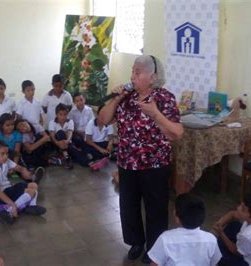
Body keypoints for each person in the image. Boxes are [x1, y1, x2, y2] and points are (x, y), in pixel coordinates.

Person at [99, 55, 183, 264]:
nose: (132, 76)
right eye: (132, 71)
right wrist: (117, 98)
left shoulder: (165, 98)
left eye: (138, 72)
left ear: (153, 77)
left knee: (156, 207)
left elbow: (176, 133)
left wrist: (155, 114)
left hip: (155, 165)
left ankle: (155, 248)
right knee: (129, 205)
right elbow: (103, 119)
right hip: (127, 163)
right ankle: (136, 242)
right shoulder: (126, 98)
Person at [148, 193, 221, 266]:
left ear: (177, 218)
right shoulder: (211, 240)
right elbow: (214, 264)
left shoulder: (165, 239)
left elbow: (154, 264)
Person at [0, 140, 46, 224]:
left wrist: (24, 171)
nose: (5, 156)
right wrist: (12, 204)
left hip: (7, 189)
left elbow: (19, 168)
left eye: (6, 153)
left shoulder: (5, 161)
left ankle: (30, 206)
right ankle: (11, 211)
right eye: (2, 154)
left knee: (34, 185)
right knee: (32, 191)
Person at [213, 194, 251, 266]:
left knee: (216, 250)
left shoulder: (250, 235)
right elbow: (233, 214)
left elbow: (236, 251)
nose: (238, 208)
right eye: (240, 205)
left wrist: (221, 233)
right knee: (234, 225)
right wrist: (220, 223)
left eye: (243, 209)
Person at [49, 103, 90, 169]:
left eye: (65, 114)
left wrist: (67, 141)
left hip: (68, 143)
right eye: (60, 114)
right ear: (56, 114)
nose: (63, 117)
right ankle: (67, 156)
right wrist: (57, 143)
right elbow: (52, 135)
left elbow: (70, 132)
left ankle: (69, 158)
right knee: (60, 132)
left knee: (74, 150)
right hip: (57, 145)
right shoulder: (52, 122)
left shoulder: (70, 121)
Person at [85, 105, 114, 171]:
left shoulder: (109, 123)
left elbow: (111, 137)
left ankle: (104, 156)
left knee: (116, 146)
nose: (104, 118)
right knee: (88, 149)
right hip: (93, 144)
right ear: (97, 115)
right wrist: (100, 149)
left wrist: (110, 144)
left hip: (103, 143)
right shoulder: (91, 123)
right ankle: (106, 156)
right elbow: (88, 140)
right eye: (102, 116)